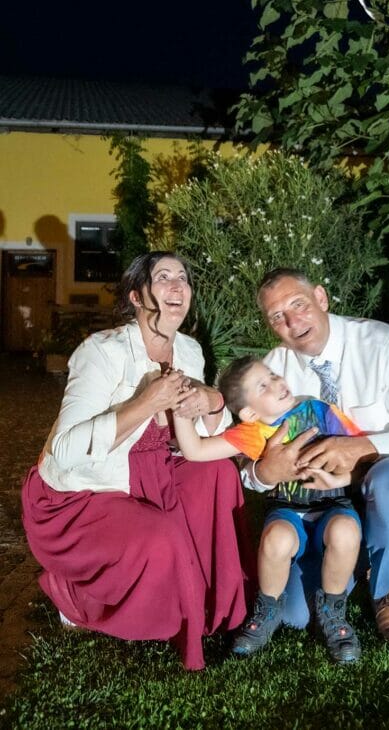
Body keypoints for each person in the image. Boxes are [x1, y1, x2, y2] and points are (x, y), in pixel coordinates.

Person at [21, 251, 255, 671]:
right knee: (162, 537)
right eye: (162, 277)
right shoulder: (101, 352)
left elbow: (198, 440)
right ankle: (77, 597)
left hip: (155, 470)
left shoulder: (189, 349)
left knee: (218, 473)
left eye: (182, 277)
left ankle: (210, 601)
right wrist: (145, 402)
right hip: (86, 489)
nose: (176, 286)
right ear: (136, 295)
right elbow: (66, 451)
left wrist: (213, 401)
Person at [245, 267, 389, 645]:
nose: (293, 322)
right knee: (297, 616)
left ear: (322, 298)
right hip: (322, 503)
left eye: (299, 305)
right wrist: (263, 471)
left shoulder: (381, 344)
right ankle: (352, 562)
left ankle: (384, 589)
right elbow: (246, 456)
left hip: (387, 481)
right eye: (277, 316)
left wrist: (364, 446)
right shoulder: (274, 369)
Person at [172, 355, 364, 664]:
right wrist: (181, 412)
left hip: (334, 505)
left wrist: (344, 476)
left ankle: (333, 613)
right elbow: (195, 450)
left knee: (346, 531)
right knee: (276, 538)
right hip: (288, 510)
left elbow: (362, 452)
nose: (276, 383)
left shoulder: (320, 410)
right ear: (249, 412)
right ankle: (267, 609)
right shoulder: (253, 432)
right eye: (263, 385)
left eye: (273, 375)